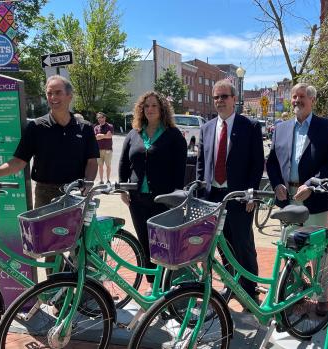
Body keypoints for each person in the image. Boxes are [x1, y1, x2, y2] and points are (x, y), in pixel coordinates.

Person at [266, 82, 328, 316]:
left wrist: (311, 185)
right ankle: (293, 290)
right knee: (291, 248)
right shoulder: (281, 128)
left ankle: (322, 297)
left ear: (312, 100)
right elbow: (272, 162)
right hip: (288, 198)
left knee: (318, 250)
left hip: (315, 199)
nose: (297, 101)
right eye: (294, 97)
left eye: (301, 97)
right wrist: (277, 183)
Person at [0, 75, 99, 208]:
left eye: (58, 92)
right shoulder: (36, 127)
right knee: (43, 229)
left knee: (78, 229)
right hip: (45, 193)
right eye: (49, 93)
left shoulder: (85, 128)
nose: (53, 97)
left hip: (76, 191)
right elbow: (18, 162)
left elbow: (92, 162)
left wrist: (88, 183)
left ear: (69, 96)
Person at [197, 79, 264, 302]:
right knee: (222, 244)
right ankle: (231, 284)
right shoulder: (206, 128)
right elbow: (201, 162)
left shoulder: (250, 127)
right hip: (213, 197)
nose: (219, 101)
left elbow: (257, 163)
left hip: (239, 196)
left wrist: (252, 193)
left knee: (243, 243)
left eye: (224, 96)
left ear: (234, 99)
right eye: (216, 97)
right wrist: (199, 190)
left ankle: (249, 290)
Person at [119, 91, 187, 284]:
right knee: (144, 243)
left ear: (162, 109)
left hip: (163, 200)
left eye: (154, 106)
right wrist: (123, 189)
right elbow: (124, 164)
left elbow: (179, 169)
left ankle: (166, 285)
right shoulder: (134, 134)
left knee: (163, 244)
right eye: (146, 106)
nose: (149, 109)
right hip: (137, 199)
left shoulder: (173, 135)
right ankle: (152, 285)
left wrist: (176, 197)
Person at [94, 112, 114, 183]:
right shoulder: (96, 127)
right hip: (98, 150)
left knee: (108, 165)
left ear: (104, 118)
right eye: (98, 118)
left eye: (101, 117)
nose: (100, 119)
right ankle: (101, 180)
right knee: (100, 166)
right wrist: (105, 135)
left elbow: (109, 136)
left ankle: (108, 180)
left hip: (108, 149)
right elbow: (96, 138)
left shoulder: (109, 126)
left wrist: (100, 135)